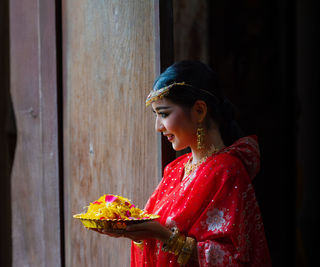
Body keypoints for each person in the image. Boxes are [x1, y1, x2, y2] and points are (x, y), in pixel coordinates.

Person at [95, 60, 271, 266]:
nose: (158, 127)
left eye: (164, 114)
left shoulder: (227, 171)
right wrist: (136, 232)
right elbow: (156, 231)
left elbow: (236, 259)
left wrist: (164, 236)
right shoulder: (176, 169)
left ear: (199, 111)